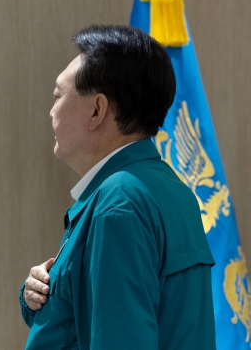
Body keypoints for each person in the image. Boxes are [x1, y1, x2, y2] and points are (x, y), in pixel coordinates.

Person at [19, 25, 216, 349]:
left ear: (97, 110)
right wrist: (36, 295)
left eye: (58, 96)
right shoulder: (167, 189)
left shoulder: (119, 203)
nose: (52, 110)